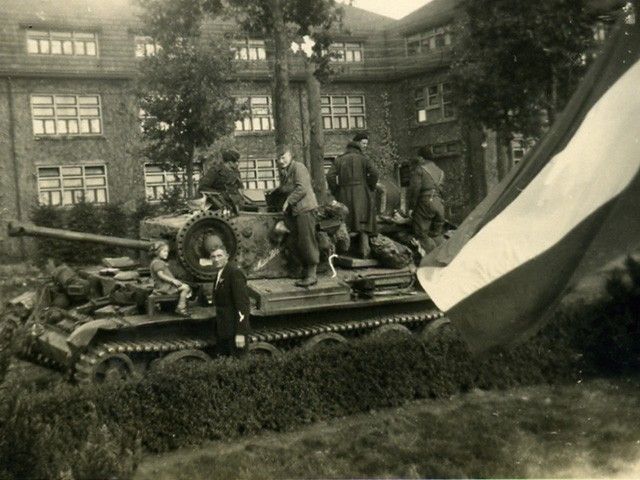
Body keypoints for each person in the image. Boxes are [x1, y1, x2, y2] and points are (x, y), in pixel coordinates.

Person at [327, 132, 379, 258]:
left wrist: (336, 190)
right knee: (363, 224)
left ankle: (343, 254)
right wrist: (370, 187)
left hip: (344, 194)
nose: (365, 146)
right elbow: (375, 173)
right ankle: (364, 252)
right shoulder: (364, 159)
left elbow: (330, 176)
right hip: (362, 195)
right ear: (358, 145)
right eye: (363, 144)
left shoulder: (340, 159)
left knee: (345, 223)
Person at [274, 146, 320, 287]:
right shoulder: (286, 171)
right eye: (279, 158)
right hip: (296, 211)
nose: (281, 161)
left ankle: (311, 275)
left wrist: (288, 201)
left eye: (284, 157)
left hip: (305, 209)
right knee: (296, 241)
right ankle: (304, 271)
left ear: (291, 156)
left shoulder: (298, 167)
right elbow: (288, 188)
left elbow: (302, 188)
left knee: (307, 241)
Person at [210, 245, 250, 356]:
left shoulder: (234, 272)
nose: (216, 259)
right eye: (213, 257)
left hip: (234, 331)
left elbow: (242, 304)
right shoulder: (220, 273)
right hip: (224, 330)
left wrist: (241, 333)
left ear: (227, 256)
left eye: (219, 256)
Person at [406, 145, 446, 254]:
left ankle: (431, 260)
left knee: (421, 233)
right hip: (439, 204)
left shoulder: (420, 170)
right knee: (436, 234)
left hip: (426, 203)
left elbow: (414, 190)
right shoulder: (440, 172)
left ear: (422, 158)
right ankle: (445, 257)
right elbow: (442, 191)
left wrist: (410, 208)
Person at [149, 241, 192, 316]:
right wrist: (173, 280)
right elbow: (160, 275)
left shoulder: (156, 262)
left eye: (167, 251)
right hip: (164, 287)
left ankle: (179, 306)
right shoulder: (158, 263)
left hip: (163, 286)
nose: (166, 253)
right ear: (157, 252)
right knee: (186, 288)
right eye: (164, 251)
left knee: (184, 286)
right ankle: (181, 307)